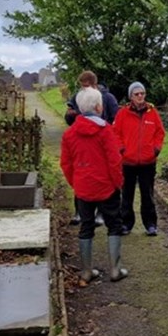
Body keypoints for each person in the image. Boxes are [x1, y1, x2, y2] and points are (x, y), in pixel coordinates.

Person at [60, 87, 129, 284]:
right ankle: (115, 269)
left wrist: (76, 183)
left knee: (86, 226)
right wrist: (118, 183)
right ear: (99, 107)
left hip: (83, 188)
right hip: (107, 186)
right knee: (114, 225)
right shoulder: (106, 130)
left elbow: (66, 163)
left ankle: (86, 271)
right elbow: (114, 160)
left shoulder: (70, 134)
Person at [65, 70, 119, 225]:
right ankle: (80, 212)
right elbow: (69, 118)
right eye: (81, 86)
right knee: (82, 174)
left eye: (86, 86)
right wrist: (71, 114)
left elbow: (116, 118)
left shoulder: (107, 97)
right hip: (82, 140)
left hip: (102, 139)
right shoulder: (78, 96)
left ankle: (101, 213)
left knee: (102, 177)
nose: (84, 89)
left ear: (94, 84)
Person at [113, 81, 166, 235]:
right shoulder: (122, 113)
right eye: (137, 94)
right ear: (131, 96)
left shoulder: (152, 112)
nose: (140, 96)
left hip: (147, 162)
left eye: (142, 93)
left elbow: (160, 132)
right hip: (128, 162)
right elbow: (115, 133)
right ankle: (126, 223)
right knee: (127, 195)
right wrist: (121, 149)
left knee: (147, 194)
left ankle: (150, 224)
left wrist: (155, 149)